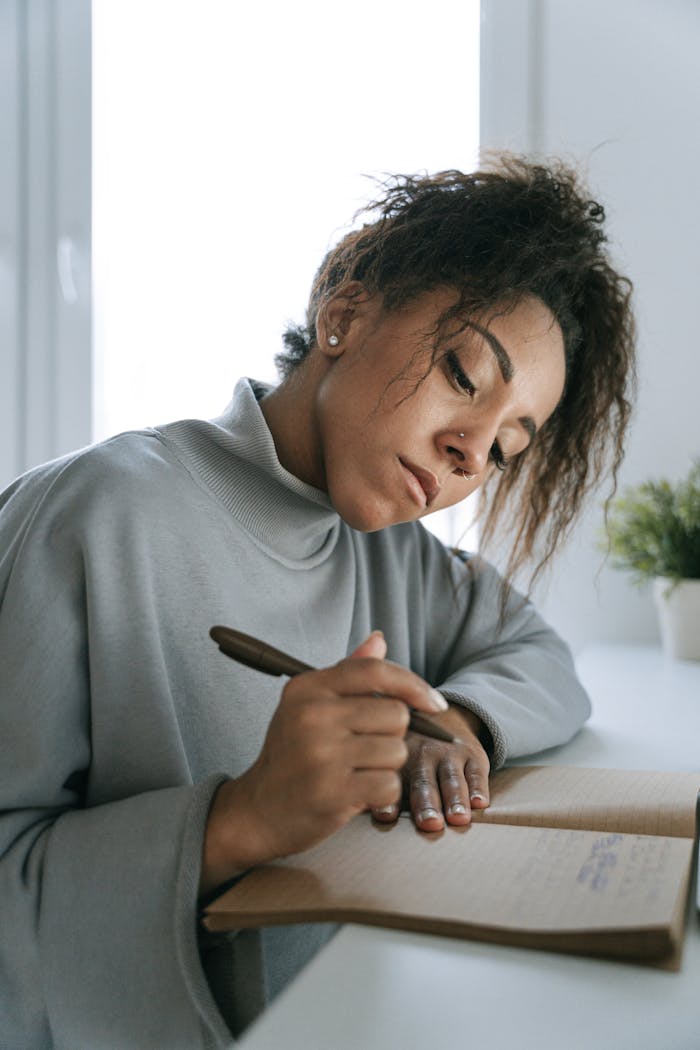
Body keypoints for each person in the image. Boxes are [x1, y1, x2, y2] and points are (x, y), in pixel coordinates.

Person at [0, 155, 635, 1049]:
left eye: (505, 448)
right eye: (463, 375)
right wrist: (240, 820)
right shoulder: (97, 514)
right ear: (344, 306)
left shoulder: (396, 555)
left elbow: (540, 654)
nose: (468, 455)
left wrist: (455, 722)